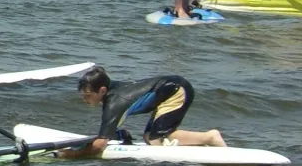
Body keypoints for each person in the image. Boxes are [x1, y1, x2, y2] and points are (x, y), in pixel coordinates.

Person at [64, 66, 226, 157]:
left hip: (176, 90)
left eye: (87, 95)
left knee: (156, 139)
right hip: (169, 90)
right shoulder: (113, 94)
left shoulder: (115, 102)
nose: (84, 99)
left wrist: (70, 155)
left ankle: (210, 137)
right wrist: (120, 136)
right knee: (149, 137)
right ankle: (198, 146)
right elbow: (107, 132)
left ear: (102, 90)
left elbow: (99, 145)